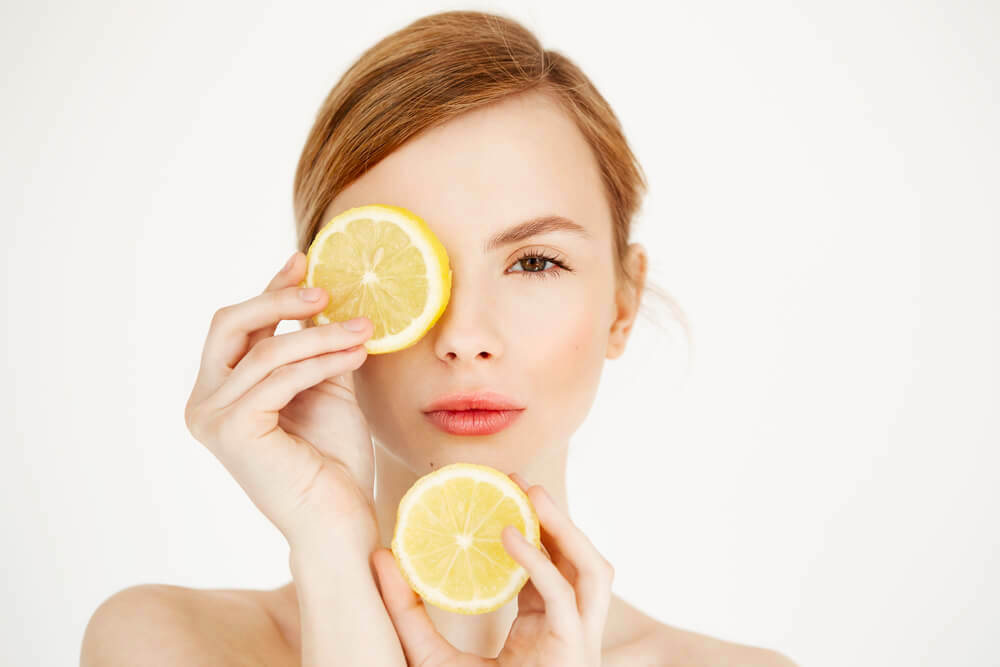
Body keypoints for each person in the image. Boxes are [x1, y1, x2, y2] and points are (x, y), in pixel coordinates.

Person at [81, 10, 797, 666]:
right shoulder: (162, 644)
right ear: (321, 295)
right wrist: (333, 553)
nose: (464, 337)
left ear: (622, 303)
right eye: (408, 268)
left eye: (534, 261)